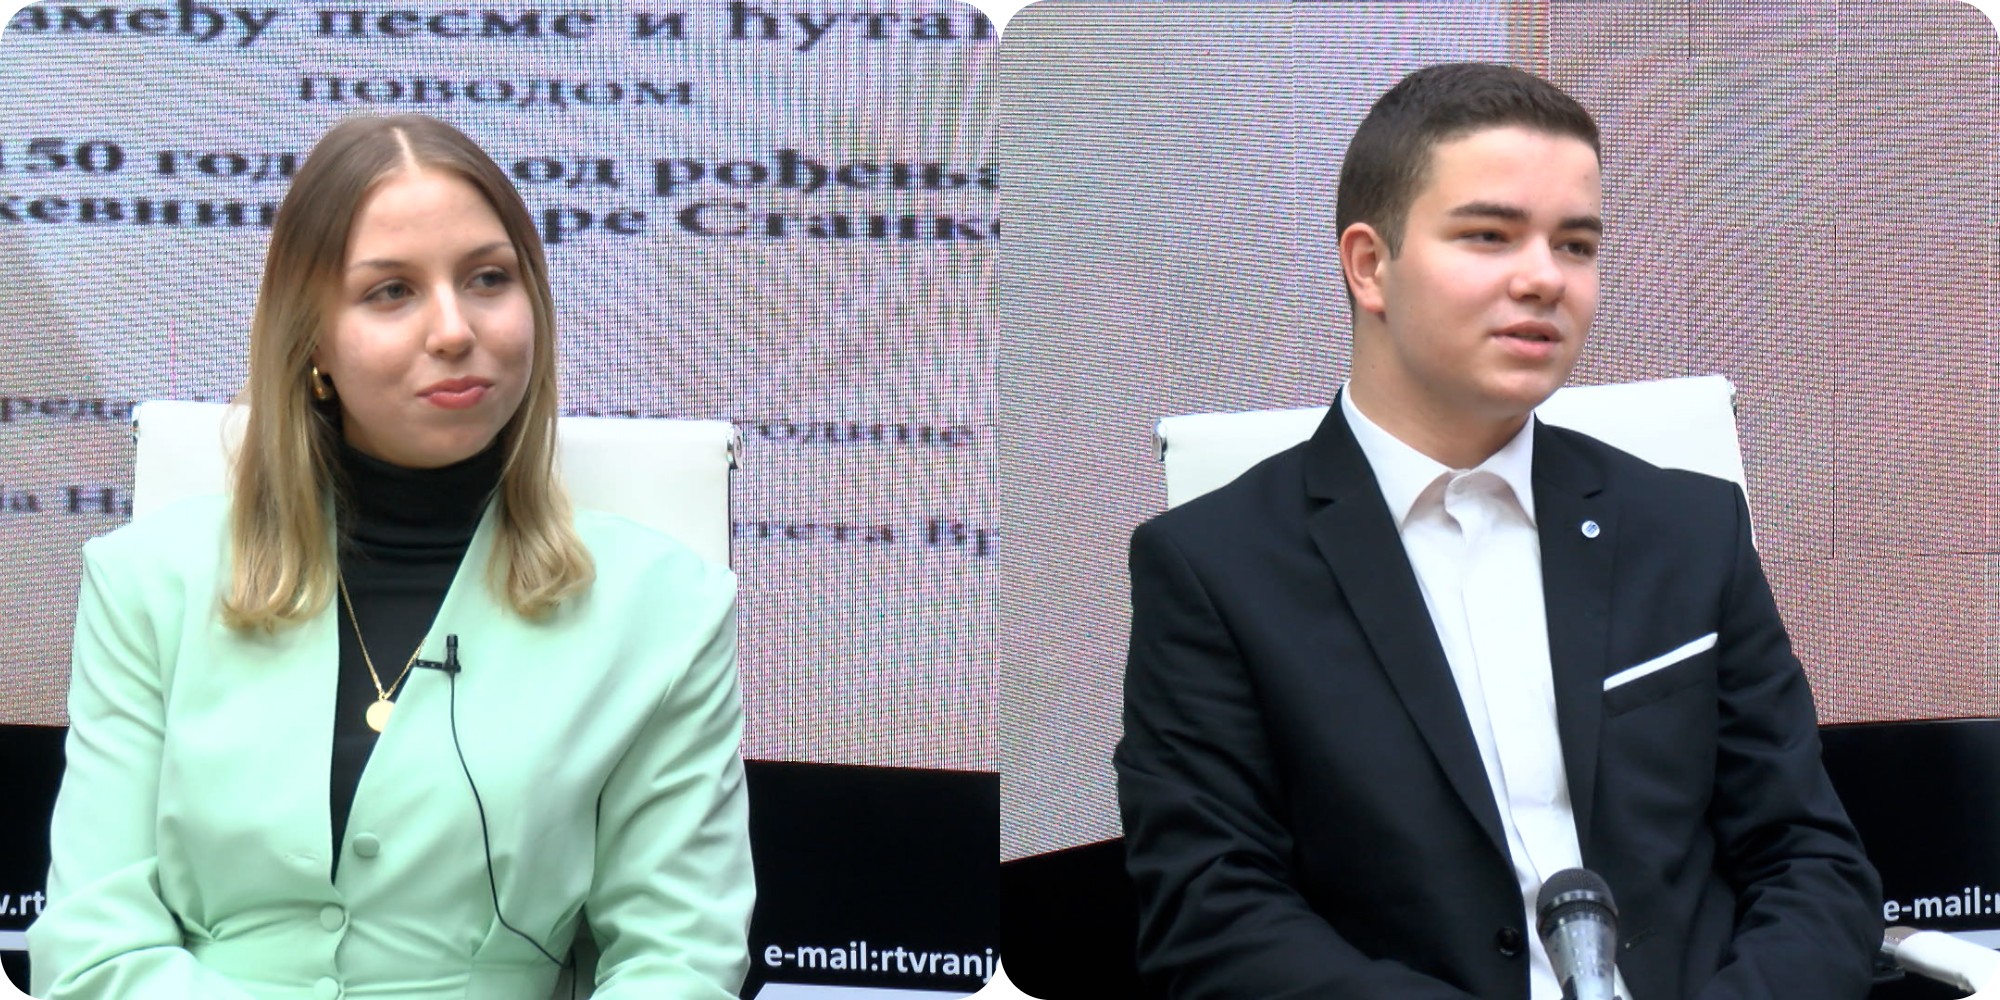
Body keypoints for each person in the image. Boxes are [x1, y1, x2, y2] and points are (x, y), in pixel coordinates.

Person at [1114, 63, 1881, 999]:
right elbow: (1214, 917)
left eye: (1576, 244)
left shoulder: (1689, 527)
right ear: (1370, 265)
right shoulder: (1214, 568)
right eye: (1489, 235)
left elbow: (1811, 861)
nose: (1544, 278)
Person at [28, 114, 754, 999]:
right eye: (391, 291)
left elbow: (678, 962)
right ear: (311, 339)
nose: (453, 329)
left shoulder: (668, 611)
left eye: (489, 279)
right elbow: (94, 952)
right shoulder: (145, 583)